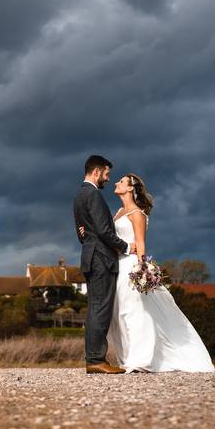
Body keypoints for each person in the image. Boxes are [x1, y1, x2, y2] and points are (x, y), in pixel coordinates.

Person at [79, 173, 215, 373]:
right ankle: (127, 358)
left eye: (121, 182)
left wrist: (142, 269)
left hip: (131, 266)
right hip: (117, 266)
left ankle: (140, 359)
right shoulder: (117, 213)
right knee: (120, 314)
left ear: (130, 188)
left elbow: (140, 243)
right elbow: (107, 237)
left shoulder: (137, 213)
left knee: (134, 311)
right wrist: (87, 232)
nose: (116, 183)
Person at [73, 155, 135, 374]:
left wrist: (91, 237)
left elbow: (82, 234)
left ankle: (94, 358)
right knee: (100, 309)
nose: (108, 179)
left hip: (90, 257)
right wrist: (127, 247)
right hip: (101, 259)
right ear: (97, 171)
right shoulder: (94, 195)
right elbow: (104, 231)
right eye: (107, 174)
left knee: (95, 308)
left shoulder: (80, 195)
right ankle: (96, 360)